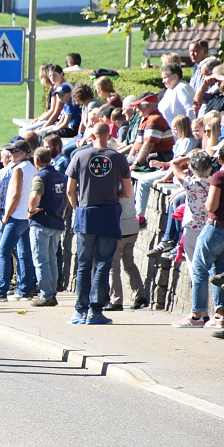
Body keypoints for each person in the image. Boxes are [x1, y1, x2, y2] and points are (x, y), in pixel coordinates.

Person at [65, 124, 133, 324]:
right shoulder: (119, 158)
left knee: (84, 265)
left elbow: (70, 191)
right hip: (109, 215)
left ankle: (80, 310)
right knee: (103, 264)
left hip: (86, 215)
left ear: (92, 135)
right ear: (110, 135)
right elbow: (127, 193)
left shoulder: (79, 156)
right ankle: (96, 311)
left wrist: (78, 208)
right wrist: (113, 194)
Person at [176, 141, 224, 328]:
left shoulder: (220, 177)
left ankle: (197, 315)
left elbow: (211, 206)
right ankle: (220, 316)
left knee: (200, 270)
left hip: (215, 227)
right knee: (219, 271)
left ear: (219, 158)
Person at [0, 140, 37, 302]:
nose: (9, 155)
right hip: (27, 217)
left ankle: (0, 291)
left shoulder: (18, 169)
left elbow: (15, 196)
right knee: (24, 254)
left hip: (16, 217)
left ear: (21, 153)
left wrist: (7, 215)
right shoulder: (32, 169)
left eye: (13, 152)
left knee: (3, 253)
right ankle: (24, 290)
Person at [28, 147, 67, 307]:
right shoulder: (60, 175)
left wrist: (31, 210)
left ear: (36, 161)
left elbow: (35, 195)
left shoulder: (41, 176)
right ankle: (51, 292)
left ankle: (46, 295)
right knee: (51, 260)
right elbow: (64, 200)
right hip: (56, 222)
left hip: (41, 223)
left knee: (41, 261)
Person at [106, 193, 147, 311]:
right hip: (132, 227)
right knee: (129, 263)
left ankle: (116, 300)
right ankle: (140, 296)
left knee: (113, 266)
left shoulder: (112, 187)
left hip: (120, 229)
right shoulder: (128, 185)